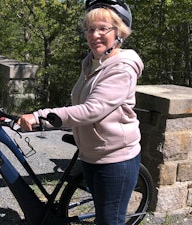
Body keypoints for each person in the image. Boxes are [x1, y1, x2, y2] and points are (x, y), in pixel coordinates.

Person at [18, 0, 143, 224]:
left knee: (109, 220)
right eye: (90, 29)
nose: (95, 35)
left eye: (103, 28)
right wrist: (46, 122)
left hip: (115, 159)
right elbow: (79, 103)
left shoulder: (122, 67)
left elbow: (92, 110)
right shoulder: (91, 63)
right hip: (91, 155)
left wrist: (40, 116)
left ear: (119, 31)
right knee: (102, 216)